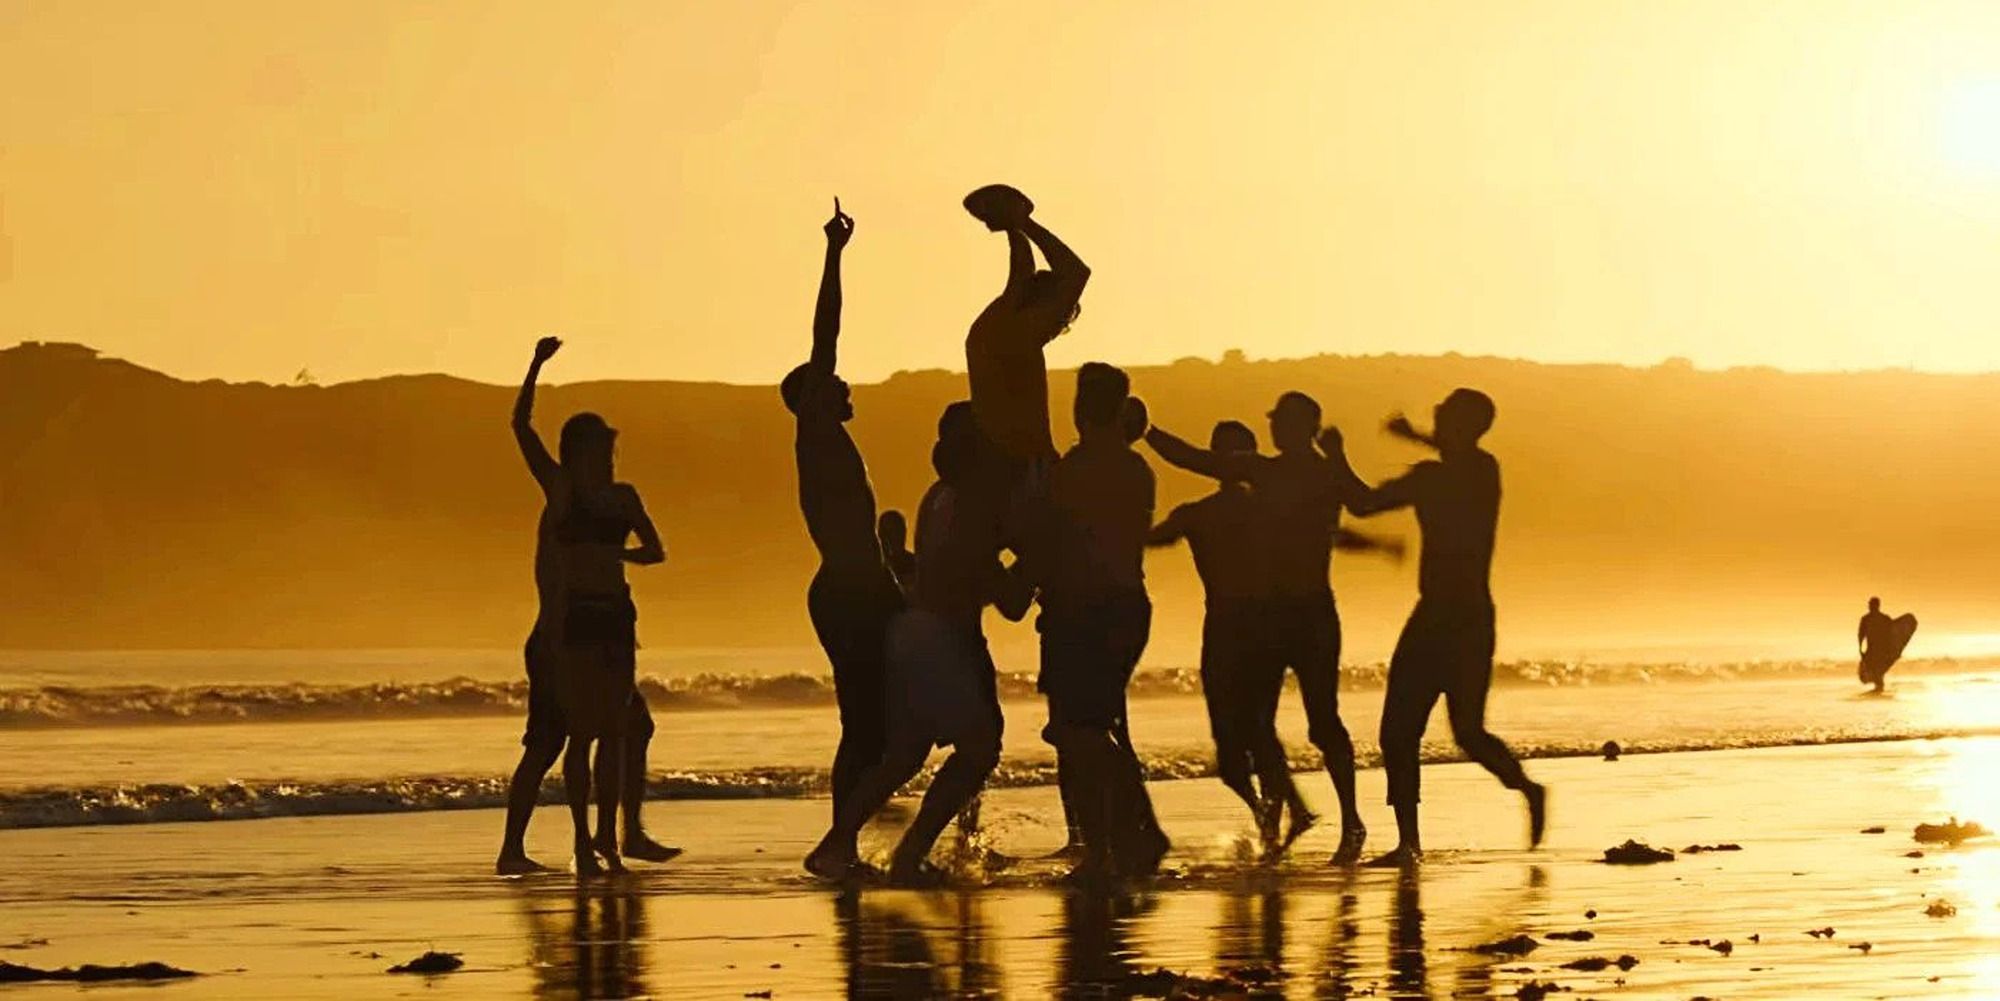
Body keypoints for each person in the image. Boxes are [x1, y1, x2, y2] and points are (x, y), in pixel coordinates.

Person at [804, 403, 1031, 885]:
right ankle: (911, 852)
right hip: (946, 642)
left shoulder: (938, 497)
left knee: (905, 754)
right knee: (980, 749)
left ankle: (837, 842)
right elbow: (1009, 601)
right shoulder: (972, 511)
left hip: (912, 633)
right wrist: (1036, 560)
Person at [1144, 391, 1374, 864]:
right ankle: (1282, 820)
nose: (1274, 429)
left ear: (1304, 426)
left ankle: (1352, 822)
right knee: (1256, 725)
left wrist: (1339, 458)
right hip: (1272, 615)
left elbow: (1366, 505)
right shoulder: (1264, 471)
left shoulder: (1314, 473)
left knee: (1322, 721)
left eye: (1282, 422)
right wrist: (1148, 432)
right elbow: (1197, 461)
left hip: (1312, 611)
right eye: (1274, 422)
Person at [1326, 389, 1545, 868]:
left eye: (1443, 415)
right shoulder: (1434, 476)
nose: (1435, 417)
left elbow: (1450, 464)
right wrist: (1341, 460)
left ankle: (1527, 788)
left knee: (1467, 731)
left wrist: (1341, 456)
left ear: (1467, 426)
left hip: (1466, 618)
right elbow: (1362, 504)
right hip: (1432, 617)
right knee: (1398, 733)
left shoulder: (1480, 471)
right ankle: (1409, 842)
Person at [503, 336, 670, 876]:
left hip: (614, 617)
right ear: (578, 452)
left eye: (609, 449)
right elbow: (521, 431)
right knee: (560, 739)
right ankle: (569, 844)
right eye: (598, 449)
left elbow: (655, 550)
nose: (607, 457)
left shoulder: (623, 496)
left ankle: (612, 840)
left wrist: (617, 554)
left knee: (619, 728)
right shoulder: (562, 488)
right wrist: (534, 368)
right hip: (566, 625)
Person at [781, 200, 907, 857]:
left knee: (907, 716)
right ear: (811, 397)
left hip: (872, 587)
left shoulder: (831, 438)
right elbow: (825, 337)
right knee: (863, 724)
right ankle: (840, 844)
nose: (845, 384)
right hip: (846, 592)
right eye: (832, 384)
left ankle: (867, 834)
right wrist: (834, 254)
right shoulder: (816, 430)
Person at [1038, 364, 1166, 879]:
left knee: (1078, 729)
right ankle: (1107, 844)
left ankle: (1133, 833)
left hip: (1091, 610)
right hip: (1122, 606)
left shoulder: (1076, 470)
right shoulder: (1132, 468)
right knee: (1093, 726)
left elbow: (1062, 536)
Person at [1857, 597, 1917, 693]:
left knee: (1878, 672)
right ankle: (1879, 690)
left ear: (1876, 605)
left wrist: (1895, 649)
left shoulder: (1876, 619)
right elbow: (1861, 634)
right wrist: (1860, 649)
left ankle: (1878, 691)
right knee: (1872, 673)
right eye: (1870, 604)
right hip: (1874, 650)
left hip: (1880, 650)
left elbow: (1892, 632)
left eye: (1871, 604)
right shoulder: (1872, 619)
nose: (1869, 606)